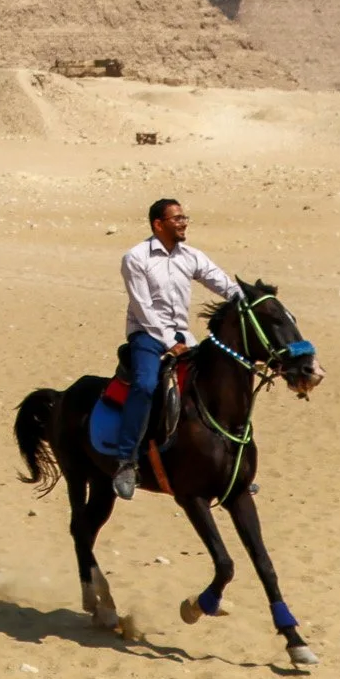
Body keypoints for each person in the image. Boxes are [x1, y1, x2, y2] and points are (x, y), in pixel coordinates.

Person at [114, 198, 239, 499]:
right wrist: (170, 343)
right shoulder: (136, 258)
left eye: (185, 217)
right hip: (147, 335)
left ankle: (230, 462)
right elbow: (143, 308)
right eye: (177, 218)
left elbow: (220, 282)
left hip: (184, 336)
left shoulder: (190, 256)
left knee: (222, 382)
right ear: (159, 224)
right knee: (145, 385)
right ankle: (126, 461)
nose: (184, 223)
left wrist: (249, 299)